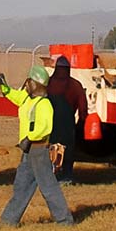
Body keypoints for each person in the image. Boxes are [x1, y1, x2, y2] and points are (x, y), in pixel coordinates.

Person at [0, 65, 74, 226]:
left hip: (39, 150)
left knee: (48, 187)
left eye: (28, 82)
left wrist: (29, 138)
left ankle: (64, 220)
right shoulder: (27, 99)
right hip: (28, 152)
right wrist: (4, 86)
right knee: (22, 186)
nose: (26, 85)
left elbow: (44, 128)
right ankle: (8, 221)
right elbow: (15, 96)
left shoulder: (44, 104)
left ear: (35, 83)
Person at [46, 55, 88, 184]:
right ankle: (66, 176)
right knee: (67, 150)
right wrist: (80, 124)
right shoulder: (75, 85)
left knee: (51, 149)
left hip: (50, 123)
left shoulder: (48, 84)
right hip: (65, 124)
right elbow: (83, 109)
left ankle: (51, 176)